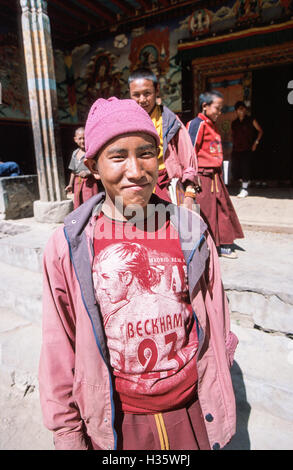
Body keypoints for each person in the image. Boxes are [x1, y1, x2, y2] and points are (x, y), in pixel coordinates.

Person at [39, 97, 238, 451]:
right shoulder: (69, 247)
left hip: (190, 411)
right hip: (120, 421)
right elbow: (59, 348)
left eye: (146, 153)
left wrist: (218, 378)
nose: (136, 170)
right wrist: (67, 433)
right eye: (118, 156)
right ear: (93, 167)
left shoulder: (190, 230)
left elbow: (216, 315)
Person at [128, 67, 200, 208]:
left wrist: (190, 193)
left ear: (157, 90)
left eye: (147, 93)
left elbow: (188, 159)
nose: (142, 100)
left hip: (166, 186)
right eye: (136, 95)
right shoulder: (125, 122)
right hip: (136, 187)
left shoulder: (170, 122)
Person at [187, 91, 244, 259]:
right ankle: (209, 245)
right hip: (203, 176)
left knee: (222, 208)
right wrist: (191, 178)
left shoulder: (211, 123)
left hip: (215, 175)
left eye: (221, 109)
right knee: (207, 211)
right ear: (205, 106)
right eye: (217, 108)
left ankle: (223, 243)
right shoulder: (197, 124)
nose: (220, 112)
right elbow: (190, 151)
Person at [231, 101, 263, 197]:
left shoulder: (251, 120)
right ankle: (243, 186)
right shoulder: (234, 123)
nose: (242, 111)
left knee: (246, 167)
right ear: (236, 111)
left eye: (243, 108)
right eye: (240, 109)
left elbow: (260, 131)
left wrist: (255, 143)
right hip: (236, 148)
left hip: (247, 148)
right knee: (236, 168)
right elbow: (233, 135)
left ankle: (244, 189)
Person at [65, 127, 100, 209]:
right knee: (78, 203)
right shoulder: (75, 153)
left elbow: (100, 169)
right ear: (75, 139)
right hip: (78, 182)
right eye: (80, 138)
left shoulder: (91, 153)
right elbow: (73, 171)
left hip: (89, 183)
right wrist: (70, 184)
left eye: (84, 138)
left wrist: (88, 173)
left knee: (90, 204)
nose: (82, 141)